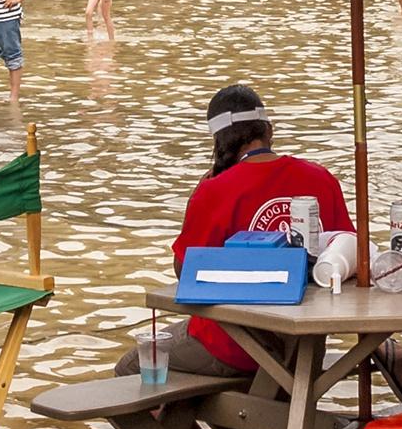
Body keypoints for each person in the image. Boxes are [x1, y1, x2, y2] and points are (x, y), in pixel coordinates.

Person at [118, 85, 351, 380]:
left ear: (218, 140)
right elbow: (349, 254)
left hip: (230, 345)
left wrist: (200, 191)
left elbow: (186, 270)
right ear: (269, 130)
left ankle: (219, 424)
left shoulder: (215, 190)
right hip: (302, 346)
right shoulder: (321, 179)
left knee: (130, 368)